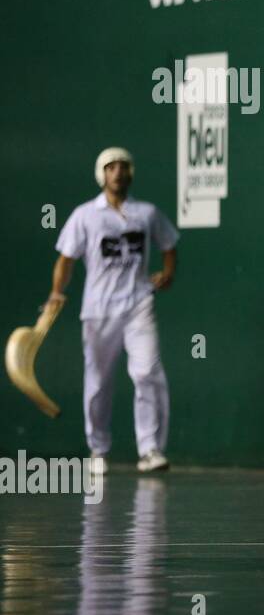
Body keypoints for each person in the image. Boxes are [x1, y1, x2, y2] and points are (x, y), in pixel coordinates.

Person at [49, 148, 179, 473]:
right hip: (97, 310)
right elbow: (66, 259)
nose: (117, 172)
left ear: (131, 173)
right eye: (110, 167)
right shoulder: (84, 215)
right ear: (101, 174)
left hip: (139, 303)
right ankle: (98, 449)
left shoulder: (147, 212)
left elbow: (169, 243)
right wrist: (56, 292)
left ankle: (150, 450)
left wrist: (167, 273)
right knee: (97, 383)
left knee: (148, 372)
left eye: (123, 167)